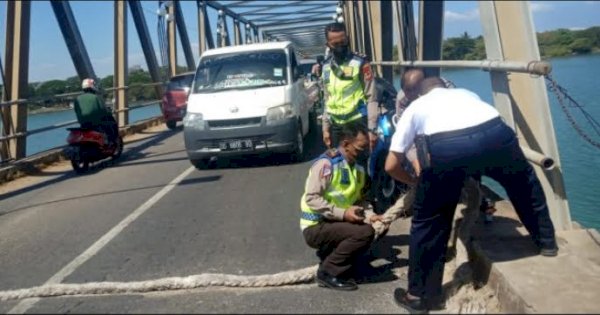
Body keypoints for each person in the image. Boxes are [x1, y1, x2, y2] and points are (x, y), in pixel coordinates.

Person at [385, 77, 558, 313]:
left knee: (429, 221)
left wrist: (417, 182)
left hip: (448, 148)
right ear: (446, 87)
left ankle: (420, 296)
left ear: (419, 94)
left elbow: (391, 165)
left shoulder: (415, 106)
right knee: (524, 185)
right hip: (495, 134)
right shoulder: (466, 92)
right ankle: (546, 242)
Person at [300, 121, 382, 291]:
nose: (365, 153)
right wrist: (343, 214)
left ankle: (337, 259)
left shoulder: (358, 168)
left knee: (376, 226)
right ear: (345, 144)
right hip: (316, 225)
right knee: (364, 233)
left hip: (335, 222)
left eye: (366, 149)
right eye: (360, 149)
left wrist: (370, 215)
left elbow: (360, 199)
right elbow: (312, 199)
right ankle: (328, 272)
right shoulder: (327, 164)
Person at [315, 22, 379, 152]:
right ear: (328, 45)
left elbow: (372, 97)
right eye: (335, 44)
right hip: (336, 126)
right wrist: (325, 127)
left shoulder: (360, 63)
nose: (340, 47)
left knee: (360, 167)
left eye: (343, 42)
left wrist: (372, 128)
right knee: (339, 166)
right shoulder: (326, 67)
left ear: (348, 39)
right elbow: (327, 98)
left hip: (357, 123)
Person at [73, 78, 119, 145]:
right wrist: (108, 112)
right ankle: (111, 141)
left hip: (83, 123)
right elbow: (103, 110)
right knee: (112, 124)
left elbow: (76, 111)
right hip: (96, 122)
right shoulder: (95, 97)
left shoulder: (77, 99)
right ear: (92, 87)